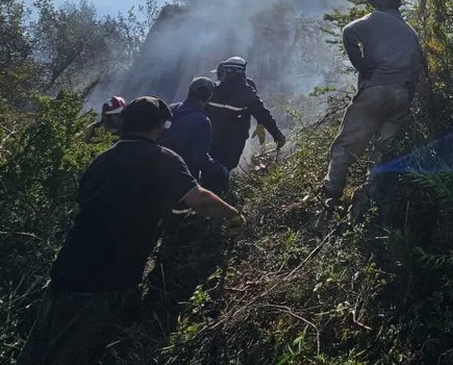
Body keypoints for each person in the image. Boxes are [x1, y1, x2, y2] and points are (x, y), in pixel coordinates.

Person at [17, 96, 244, 365]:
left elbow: (80, 209)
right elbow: (200, 200)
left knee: (37, 352)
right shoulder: (162, 158)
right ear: (159, 126)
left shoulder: (103, 159)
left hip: (66, 269)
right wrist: (233, 214)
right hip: (102, 281)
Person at [321, 0, 423, 208]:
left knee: (346, 143)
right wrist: (407, 99)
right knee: (383, 149)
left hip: (375, 90)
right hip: (401, 95)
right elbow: (416, 71)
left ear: (380, 5)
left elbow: (348, 32)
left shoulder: (374, 19)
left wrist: (361, 64)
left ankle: (331, 192)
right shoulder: (410, 32)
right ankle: (368, 196)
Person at [206, 56, 287, 174]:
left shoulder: (213, 89)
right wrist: (277, 135)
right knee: (223, 168)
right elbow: (263, 114)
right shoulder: (247, 93)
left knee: (211, 167)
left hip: (212, 139)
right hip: (233, 141)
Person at [159, 76, 229, 194]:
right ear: (209, 96)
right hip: (183, 176)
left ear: (189, 91)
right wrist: (220, 170)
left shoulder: (171, 108)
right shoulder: (202, 121)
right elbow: (200, 157)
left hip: (159, 168)